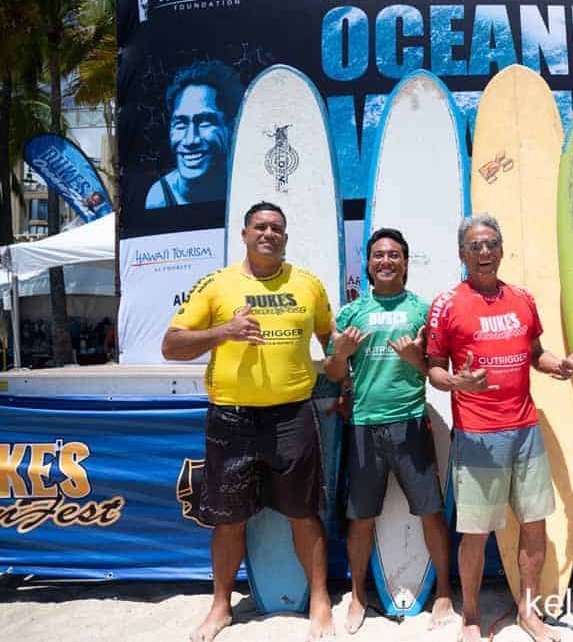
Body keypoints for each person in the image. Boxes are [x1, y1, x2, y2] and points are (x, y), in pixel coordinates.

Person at [161, 201, 335, 642]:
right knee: (228, 518)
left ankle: (319, 601)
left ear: (286, 237)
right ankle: (220, 606)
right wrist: (223, 332)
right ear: (244, 234)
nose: (268, 234)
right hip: (232, 418)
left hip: (293, 415)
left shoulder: (308, 284)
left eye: (277, 228)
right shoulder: (217, 285)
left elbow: (330, 340)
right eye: (260, 227)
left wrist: (343, 366)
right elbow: (171, 345)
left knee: (303, 513)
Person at [425, 214, 573, 642]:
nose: (484, 253)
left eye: (491, 244)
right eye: (475, 246)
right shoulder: (447, 303)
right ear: (462, 254)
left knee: (535, 525)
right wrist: (458, 382)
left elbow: (535, 353)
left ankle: (529, 613)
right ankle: (472, 615)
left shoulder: (523, 299)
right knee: (474, 534)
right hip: (477, 436)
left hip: (525, 430)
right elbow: (434, 369)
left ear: (501, 248)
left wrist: (559, 367)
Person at [323, 228, 454, 634]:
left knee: (430, 511)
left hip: (412, 423)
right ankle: (359, 596)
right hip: (364, 427)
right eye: (378, 255)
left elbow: (436, 372)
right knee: (361, 517)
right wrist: (341, 355)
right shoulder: (351, 313)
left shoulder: (422, 310)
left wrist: (417, 359)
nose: (386, 261)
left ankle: (445, 592)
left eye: (394, 255)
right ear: (368, 263)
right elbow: (332, 372)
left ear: (406, 263)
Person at [145, 59, 242, 209]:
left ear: (231, 126)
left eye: (205, 122)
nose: (190, 140)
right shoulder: (160, 198)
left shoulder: (246, 187)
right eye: (180, 124)